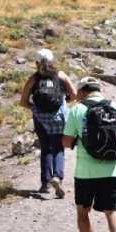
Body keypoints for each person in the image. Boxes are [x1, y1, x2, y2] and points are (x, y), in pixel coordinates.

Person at [62, 77, 116, 232]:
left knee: (83, 212)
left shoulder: (77, 110)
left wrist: (79, 140)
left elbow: (66, 142)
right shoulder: (115, 107)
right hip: (113, 170)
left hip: (86, 173)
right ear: (98, 90)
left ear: (82, 92)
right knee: (113, 210)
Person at [19, 49, 77, 198]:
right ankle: (57, 177)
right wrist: (64, 102)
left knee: (45, 148)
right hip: (58, 118)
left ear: (36, 63)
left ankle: (45, 183)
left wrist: (35, 108)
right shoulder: (61, 75)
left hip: (40, 119)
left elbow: (23, 102)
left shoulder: (33, 79)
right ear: (52, 62)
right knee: (58, 147)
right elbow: (74, 94)